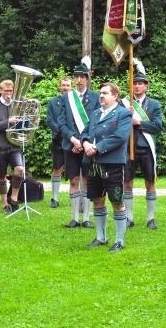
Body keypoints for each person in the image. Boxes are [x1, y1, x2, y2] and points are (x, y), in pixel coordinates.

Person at [81, 82, 132, 252]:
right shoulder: (95, 113)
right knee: (97, 199)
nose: (101, 96)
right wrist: (85, 143)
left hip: (113, 163)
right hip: (93, 163)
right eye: (100, 93)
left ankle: (119, 241)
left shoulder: (123, 114)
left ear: (115, 96)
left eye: (105, 93)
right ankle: (100, 237)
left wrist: (97, 147)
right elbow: (85, 131)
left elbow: (120, 137)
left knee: (116, 201)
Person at [57, 57, 99, 228]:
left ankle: (87, 218)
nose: (79, 80)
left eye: (82, 77)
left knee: (87, 181)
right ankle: (74, 218)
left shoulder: (96, 97)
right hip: (71, 145)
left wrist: (84, 142)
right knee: (74, 181)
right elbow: (61, 123)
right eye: (77, 77)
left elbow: (97, 122)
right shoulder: (67, 98)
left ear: (87, 79)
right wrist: (74, 140)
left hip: (88, 146)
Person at [123, 59, 163, 229]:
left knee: (150, 182)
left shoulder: (154, 104)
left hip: (146, 149)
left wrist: (138, 122)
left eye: (140, 83)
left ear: (146, 86)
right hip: (128, 148)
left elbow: (157, 126)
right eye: (134, 83)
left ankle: (150, 218)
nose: (137, 86)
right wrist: (126, 116)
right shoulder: (124, 104)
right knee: (127, 182)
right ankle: (129, 217)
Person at [0, 79, 26, 214]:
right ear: (0, 91)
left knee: (19, 169)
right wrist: (9, 121)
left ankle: (13, 198)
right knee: (2, 175)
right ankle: (5, 204)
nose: (8, 93)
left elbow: (22, 123)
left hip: (14, 144)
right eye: (6, 91)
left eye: (10, 91)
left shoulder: (17, 105)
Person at [46, 77, 71, 208]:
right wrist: (62, 131)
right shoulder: (52, 102)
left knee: (75, 170)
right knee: (57, 168)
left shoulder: (75, 102)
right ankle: (54, 198)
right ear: (60, 87)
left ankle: (76, 198)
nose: (65, 87)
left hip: (73, 141)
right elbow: (50, 120)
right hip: (58, 139)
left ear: (71, 87)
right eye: (63, 85)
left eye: (68, 85)